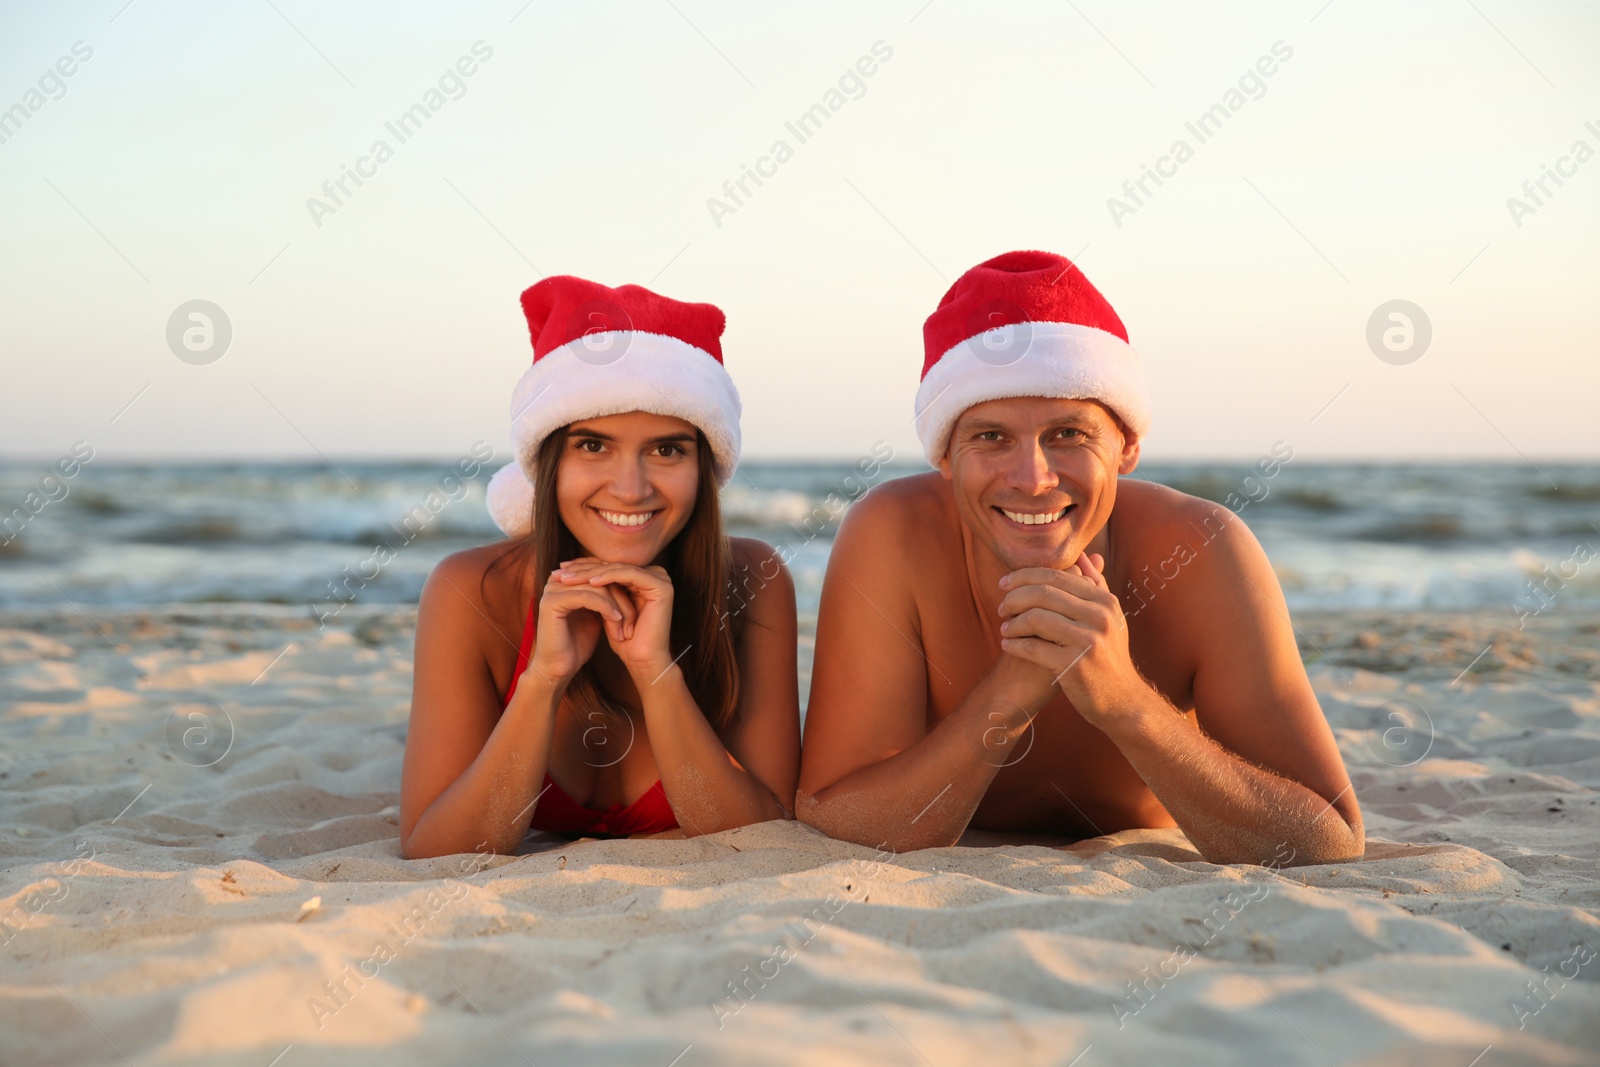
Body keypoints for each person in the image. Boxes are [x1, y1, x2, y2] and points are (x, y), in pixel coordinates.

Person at [796, 250, 1362, 867]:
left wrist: (1124, 701)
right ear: (944, 456)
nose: (1033, 478)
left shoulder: (1201, 547)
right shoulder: (893, 533)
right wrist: (1013, 690)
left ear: (1127, 446)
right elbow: (836, 814)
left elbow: (1328, 842)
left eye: (1068, 434)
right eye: (990, 437)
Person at [400, 276, 799, 859]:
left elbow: (758, 841)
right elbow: (438, 853)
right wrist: (542, 680)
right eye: (593, 446)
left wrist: (655, 671)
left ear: (704, 467)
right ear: (548, 460)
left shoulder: (752, 580)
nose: (631, 489)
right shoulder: (471, 591)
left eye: (667, 449)